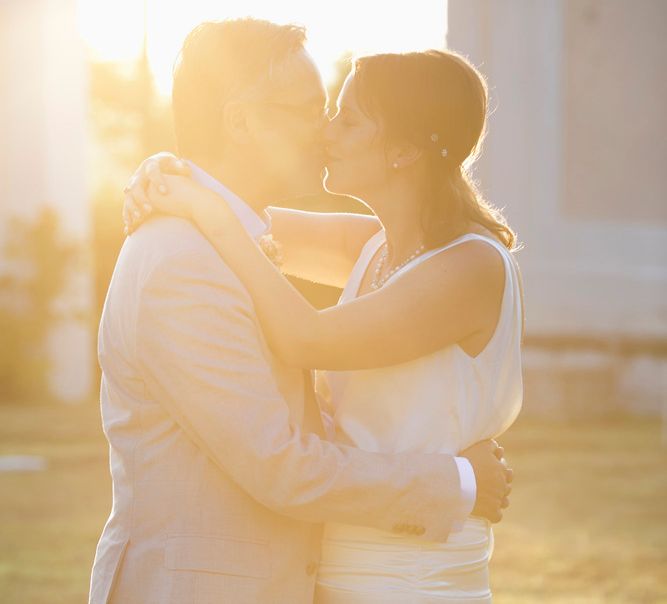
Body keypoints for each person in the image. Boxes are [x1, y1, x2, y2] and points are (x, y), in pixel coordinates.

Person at [91, 18, 511, 604]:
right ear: (241, 121)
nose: (324, 134)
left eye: (340, 116)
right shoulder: (184, 263)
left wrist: (174, 177)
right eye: (312, 111)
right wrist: (457, 481)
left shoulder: (413, 254)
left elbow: (273, 266)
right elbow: (278, 465)